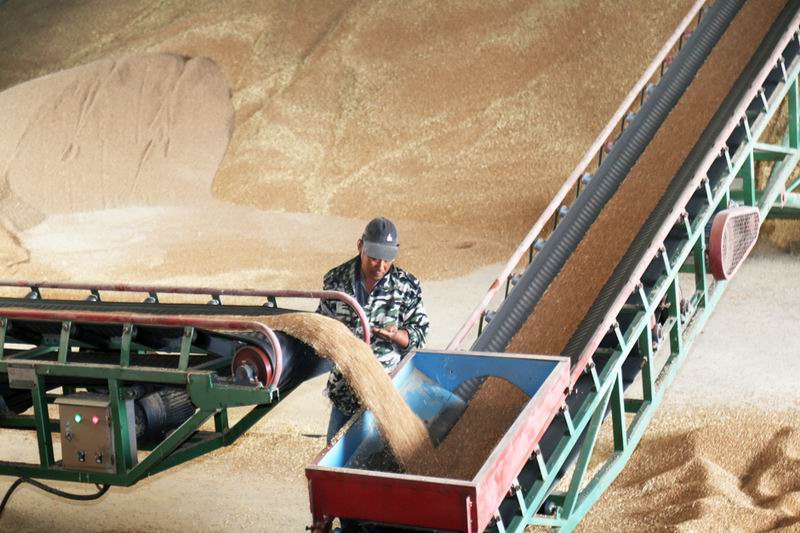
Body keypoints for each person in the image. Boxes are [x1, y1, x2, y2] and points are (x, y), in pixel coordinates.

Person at [317, 216, 429, 442]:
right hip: (345, 392)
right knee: (334, 454)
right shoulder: (336, 281)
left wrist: (397, 336)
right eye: (374, 258)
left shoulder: (405, 286)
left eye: (387, 259)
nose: (381, 266)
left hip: (386, 395)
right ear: (360, 246)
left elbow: (419, 333)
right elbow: (322, 325)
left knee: (383, 455)